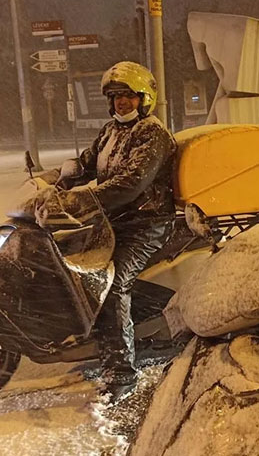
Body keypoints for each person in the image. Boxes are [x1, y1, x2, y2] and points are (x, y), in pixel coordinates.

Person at [37, 61, 176, 402]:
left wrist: (80, 199)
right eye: (115, 97)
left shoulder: (152, 134)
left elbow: (130, 184)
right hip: (115, 221)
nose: (121, 103)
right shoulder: (111, 131)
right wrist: (51, 179)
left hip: (149, 224)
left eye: (128, 96)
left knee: (113, 285)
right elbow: (85, 165)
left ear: (144, 99)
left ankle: (122, 374)